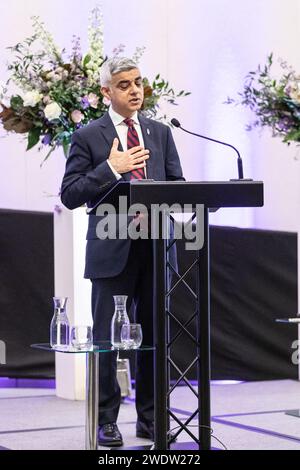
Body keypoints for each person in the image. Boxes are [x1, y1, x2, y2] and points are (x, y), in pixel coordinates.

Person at [60, 57, 184, 447]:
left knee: (153, 335)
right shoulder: (88, 136)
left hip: (156, 248)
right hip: (111, 249)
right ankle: (106, 420)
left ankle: (150, 417)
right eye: (124, 84)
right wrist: (111, 169)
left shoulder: (160, 133)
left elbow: (177, 184)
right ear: (106, 92)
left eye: (138, 82)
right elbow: (71, 194)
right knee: (107, 338)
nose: (134, 90)